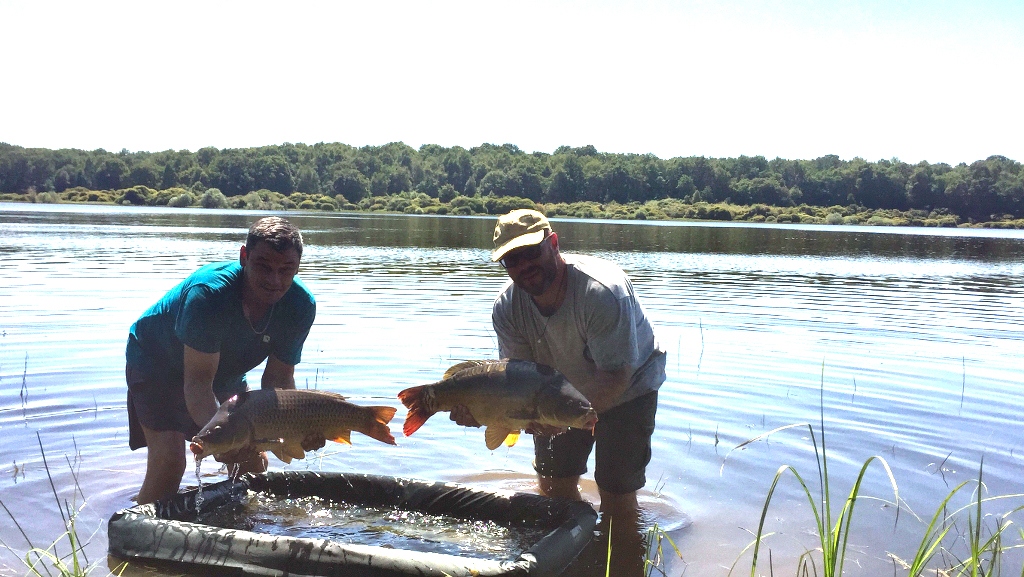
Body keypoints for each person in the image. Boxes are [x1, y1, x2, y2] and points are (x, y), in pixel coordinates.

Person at [452, 209, 667, 528]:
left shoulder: (601, 293)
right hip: (554, 391)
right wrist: (490, 412)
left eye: (529, 253)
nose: (523, 266)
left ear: (553, 243)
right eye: (512, 260)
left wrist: (562, 417)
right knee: (554, 485)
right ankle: (576, 549)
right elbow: (518, 378)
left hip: (629, 386)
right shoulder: (507, 308)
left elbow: (615, 376)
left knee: (615, 490)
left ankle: (615, 540)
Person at [125, 216, 322, 504]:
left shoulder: (300, 305)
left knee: (253, 466)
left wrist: (293, 431)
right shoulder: (209, 295)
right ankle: (132, 539)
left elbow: (278, 381)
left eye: (286, 270)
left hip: (223, 372)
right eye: (263, 266)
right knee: (169, 465)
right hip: (157, 364)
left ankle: (235, 531)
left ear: (298, 267)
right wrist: (224, 441)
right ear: (244, 256)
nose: (274, 281)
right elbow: (198, 385)